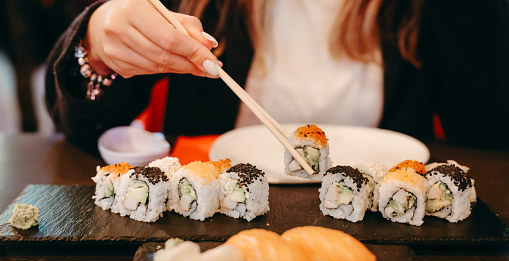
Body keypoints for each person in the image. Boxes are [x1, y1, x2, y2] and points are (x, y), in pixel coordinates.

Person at [45, 0, 509, 151]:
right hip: (207, 229)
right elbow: (83, 129)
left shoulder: (428, 12)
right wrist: (96, 41)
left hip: (390, 243)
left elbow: (488, 132)